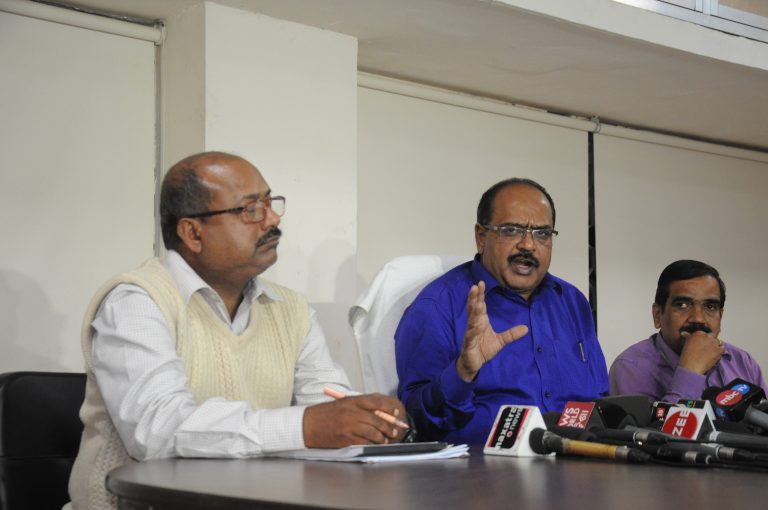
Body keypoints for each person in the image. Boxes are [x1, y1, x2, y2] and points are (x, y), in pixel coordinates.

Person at [67, 152, 406, 510]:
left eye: (270, 203)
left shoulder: (291, 309)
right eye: (250, 209)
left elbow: (325, 402)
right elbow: (157, 431)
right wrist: (305, 427)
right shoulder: (137, 301)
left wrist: (367, 421)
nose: (272, 219)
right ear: (192, 233)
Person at [395, 178, 609, 444]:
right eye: (512, 230)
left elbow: (599, 397)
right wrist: (462, 373)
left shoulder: (572, 302)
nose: (529, 245)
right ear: (481, 237)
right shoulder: (438, 307)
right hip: (482, 473)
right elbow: (413, 422)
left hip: (581, 462)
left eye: (542, 233)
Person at [609, 259, 767, 402]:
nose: (698, 318)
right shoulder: (630, 368)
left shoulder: (742, 362)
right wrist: (691, 371)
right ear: (658, 315)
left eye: (710, 307)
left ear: (721, 316)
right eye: (682, 305)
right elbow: (653, 433)